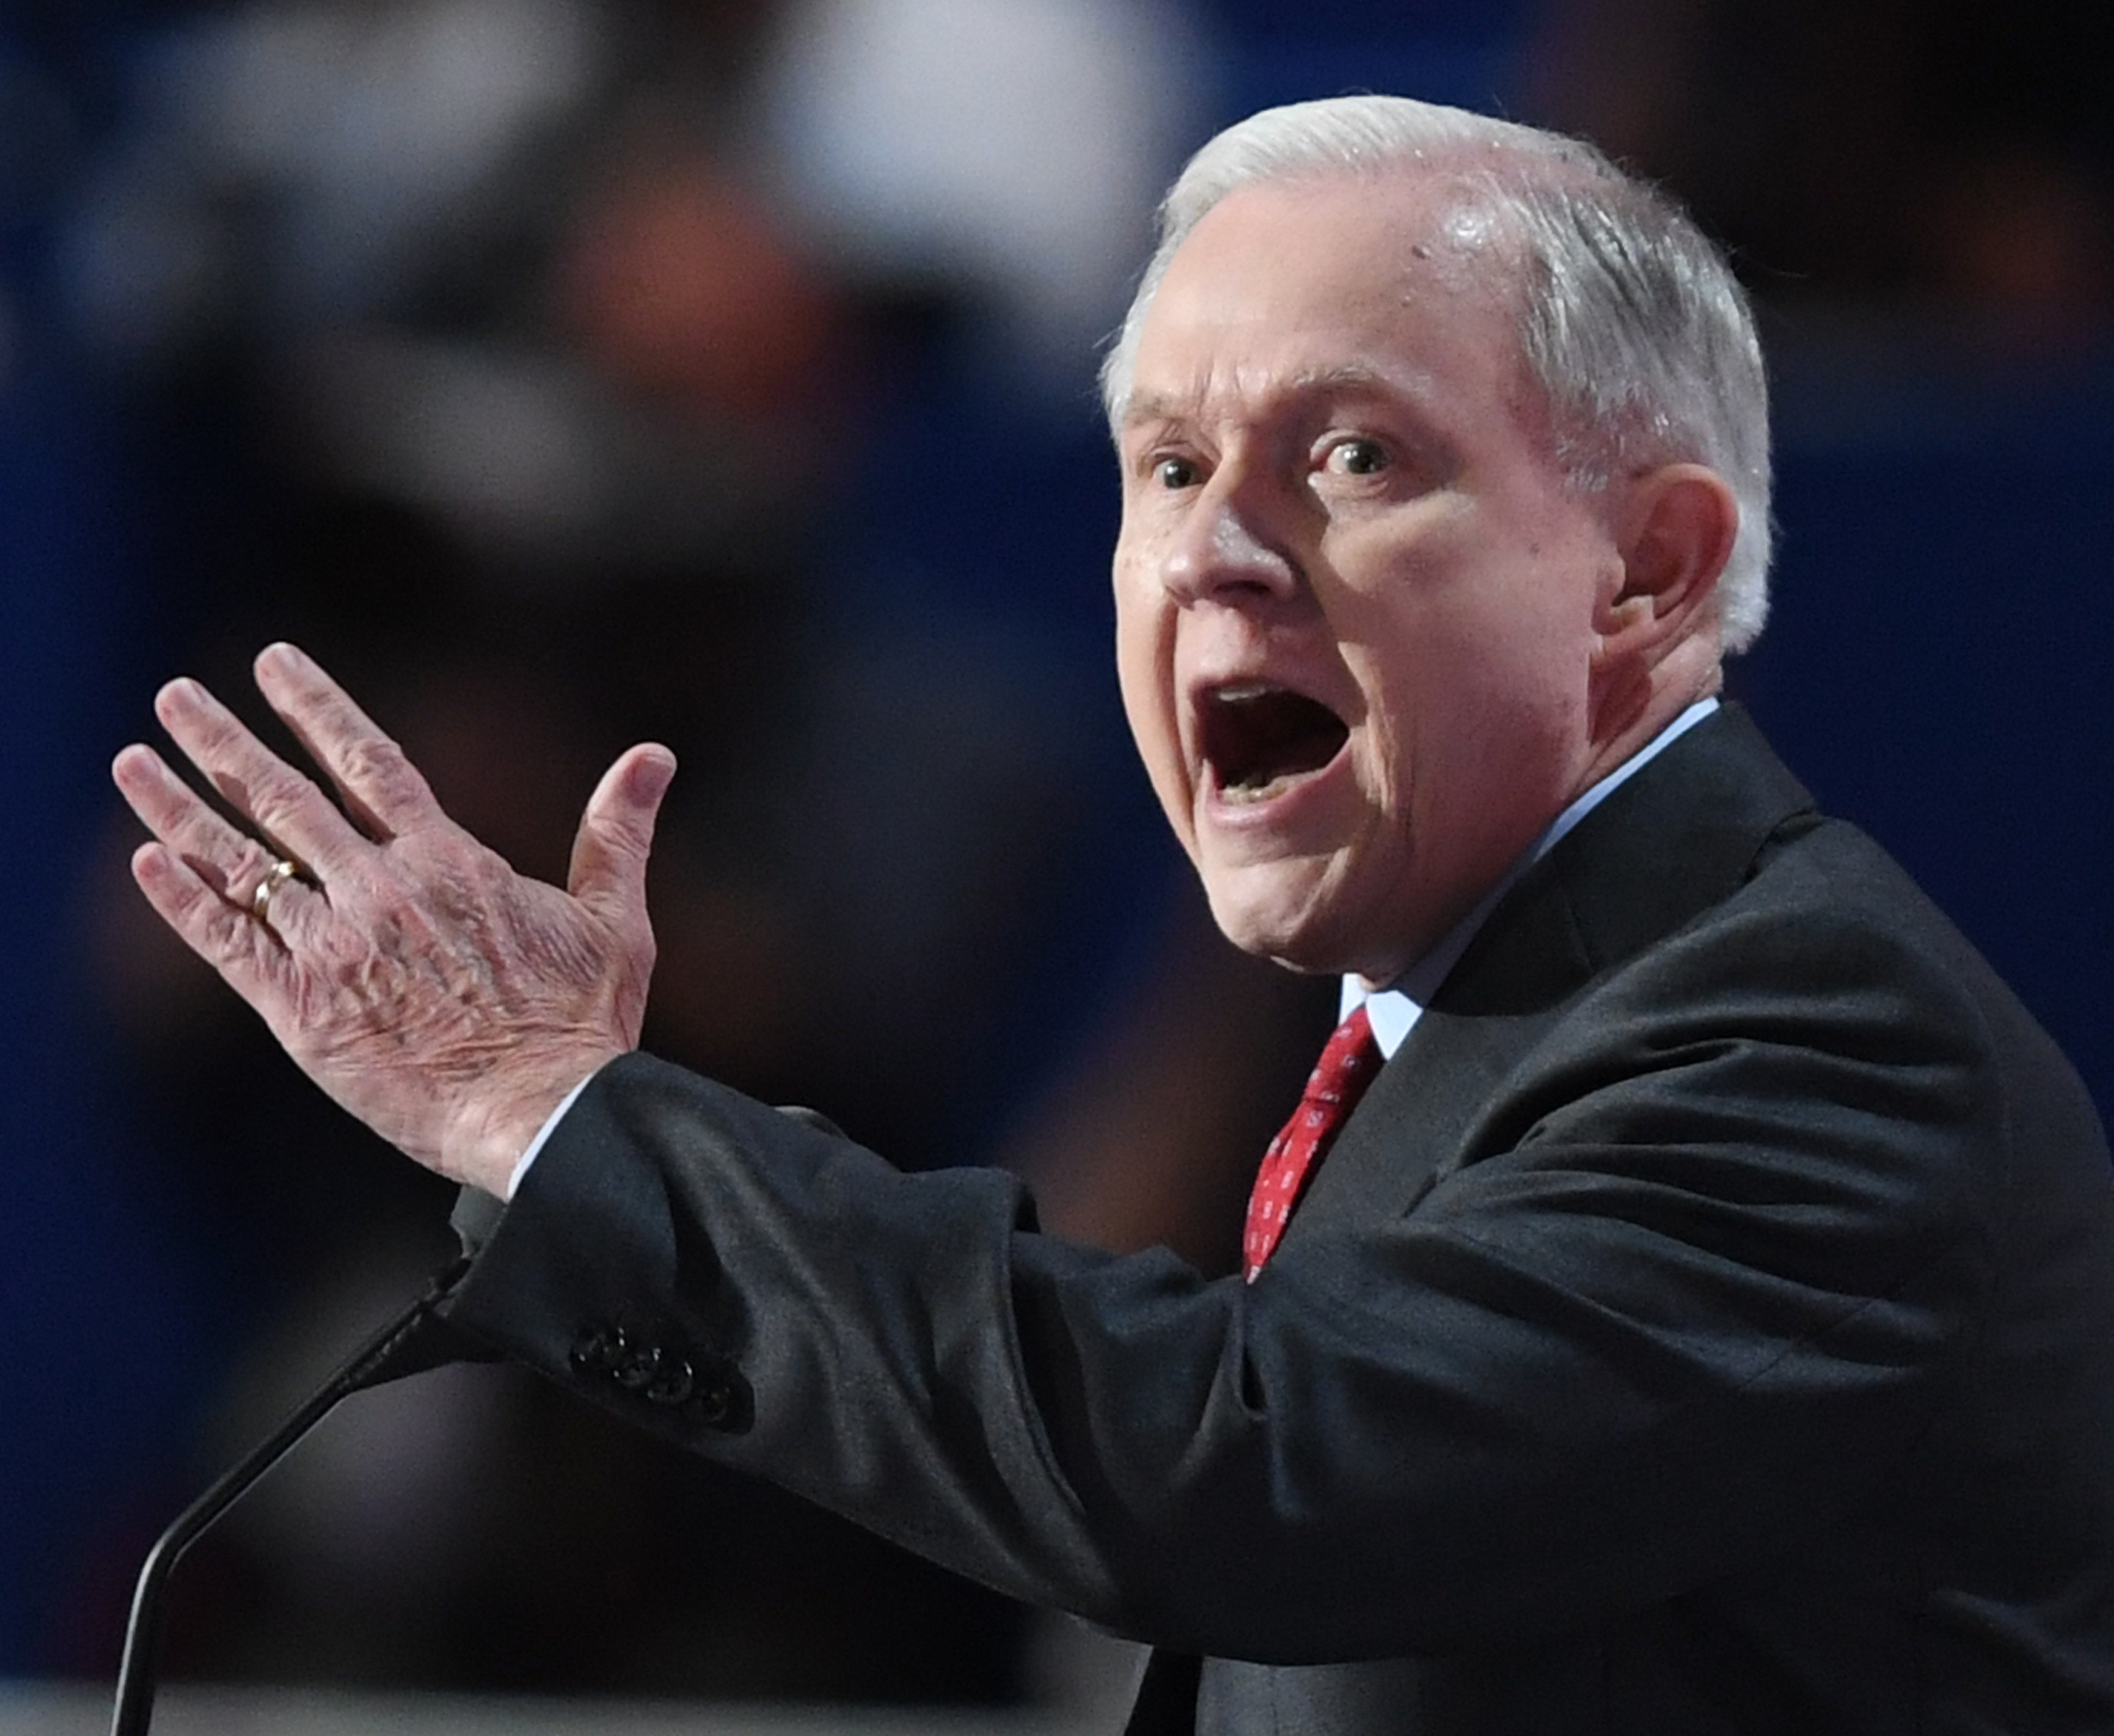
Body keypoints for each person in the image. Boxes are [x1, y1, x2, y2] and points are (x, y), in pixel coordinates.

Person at [112, 94, 2114, 1734]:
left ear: (1647, 571)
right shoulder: (1470, 1021)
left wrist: (557, 1116)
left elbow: (1250, 1469)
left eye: (1350, 454)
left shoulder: (1810, 1039)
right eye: (1163, 464)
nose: (1212, 551)